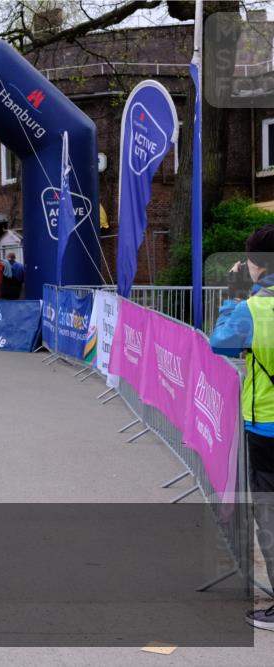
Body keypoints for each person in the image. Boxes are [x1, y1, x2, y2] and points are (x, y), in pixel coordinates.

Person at [209, 225, 274, 632]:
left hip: (267, 425)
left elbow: (221, 343)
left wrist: (234, 293)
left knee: (269, 514)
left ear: (255, 264)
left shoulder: (254, 309)